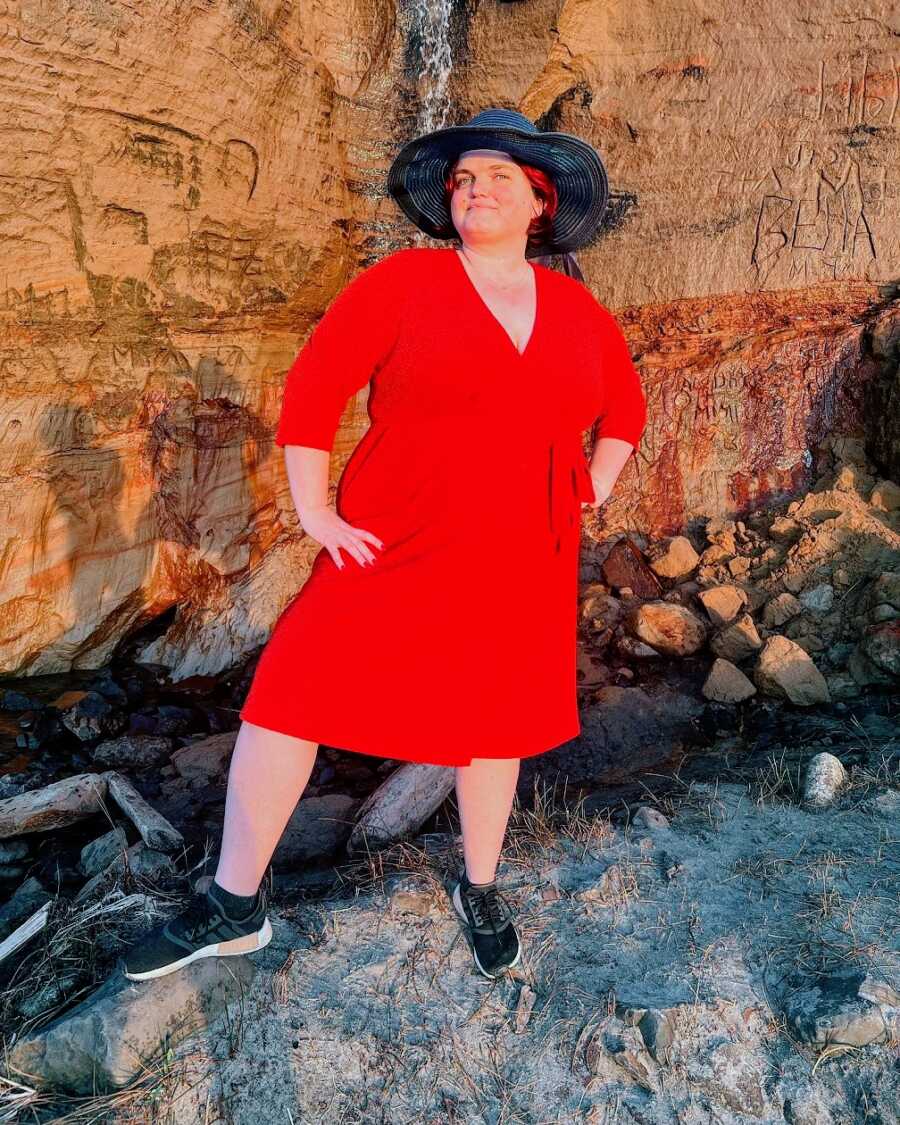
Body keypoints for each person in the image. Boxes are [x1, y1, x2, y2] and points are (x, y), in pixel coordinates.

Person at [122, 108, 647, 984]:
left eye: (499, 179)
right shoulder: (404, 281)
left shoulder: (575, 307)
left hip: (526, 552)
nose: (476, 190)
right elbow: (316, 387)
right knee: (288, 691)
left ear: (539, 204)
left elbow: (623, 408)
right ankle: (233, 903)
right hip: (394, 539)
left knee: (497, 720)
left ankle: (480, 886)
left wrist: (596, 482)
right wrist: (314, 512)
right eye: (465, 180)